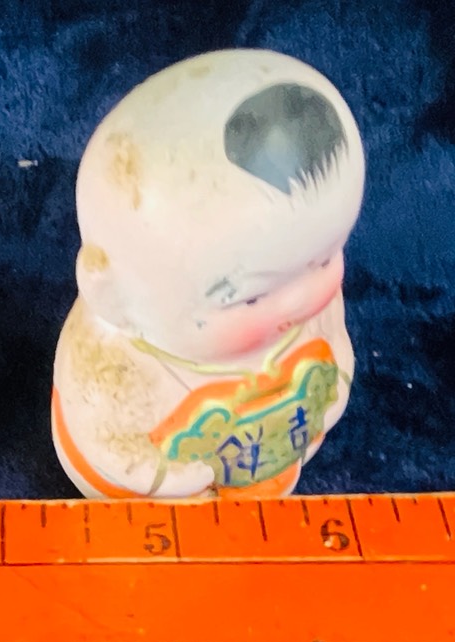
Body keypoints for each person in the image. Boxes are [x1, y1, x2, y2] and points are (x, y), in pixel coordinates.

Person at [52, 49, 365, 499]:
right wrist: (170, 476)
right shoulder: (117, 366)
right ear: (114, 300)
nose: (299, 300)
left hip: (275, 452)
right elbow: (109, 442)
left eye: (323, 261)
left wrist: (331, 394)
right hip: (161, 496)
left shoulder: (313, 306)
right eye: (251, 298)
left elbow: (338, 353)